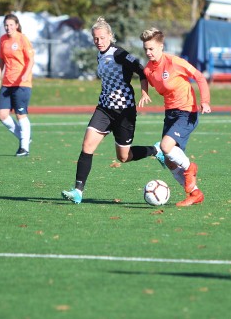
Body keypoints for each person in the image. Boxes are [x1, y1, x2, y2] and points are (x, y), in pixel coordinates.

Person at [61, 17, 165, 204]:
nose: (98, 42)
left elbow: (141, 70)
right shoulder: (99, 54)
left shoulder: (119, 54)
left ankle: (155, 150)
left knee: (124, 157)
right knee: (87, 146)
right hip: (104, 109)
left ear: (110, 36)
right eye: (95, 38)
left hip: (124, 111)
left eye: (102, 38)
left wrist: (144, 92)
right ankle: (78, 191)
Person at [139, 27, 211, 207]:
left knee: (165, 146)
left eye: (151, 49)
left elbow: (199, 77)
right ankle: (195, 194)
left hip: (187, 112)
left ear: (161, 47)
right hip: (170, 114)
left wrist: (205, 101)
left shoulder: (174, 62)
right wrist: (144, 92)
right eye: (145, 49)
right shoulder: (149, 69)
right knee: (170, 161)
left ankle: (189, 168)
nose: (148, 52)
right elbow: (144, 77)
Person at [0, 13, 34, 157]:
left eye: (11, 25)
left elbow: (30, 60)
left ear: (16, 25)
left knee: (20, 114)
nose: (8, 27)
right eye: (6, 25)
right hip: (7, 82)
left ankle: (24, 148)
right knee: (2, 114)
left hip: (22, 83)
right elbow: (1, 60)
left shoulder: (22, 39)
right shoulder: (3, 40)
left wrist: (25, 74)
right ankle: (25, 137)